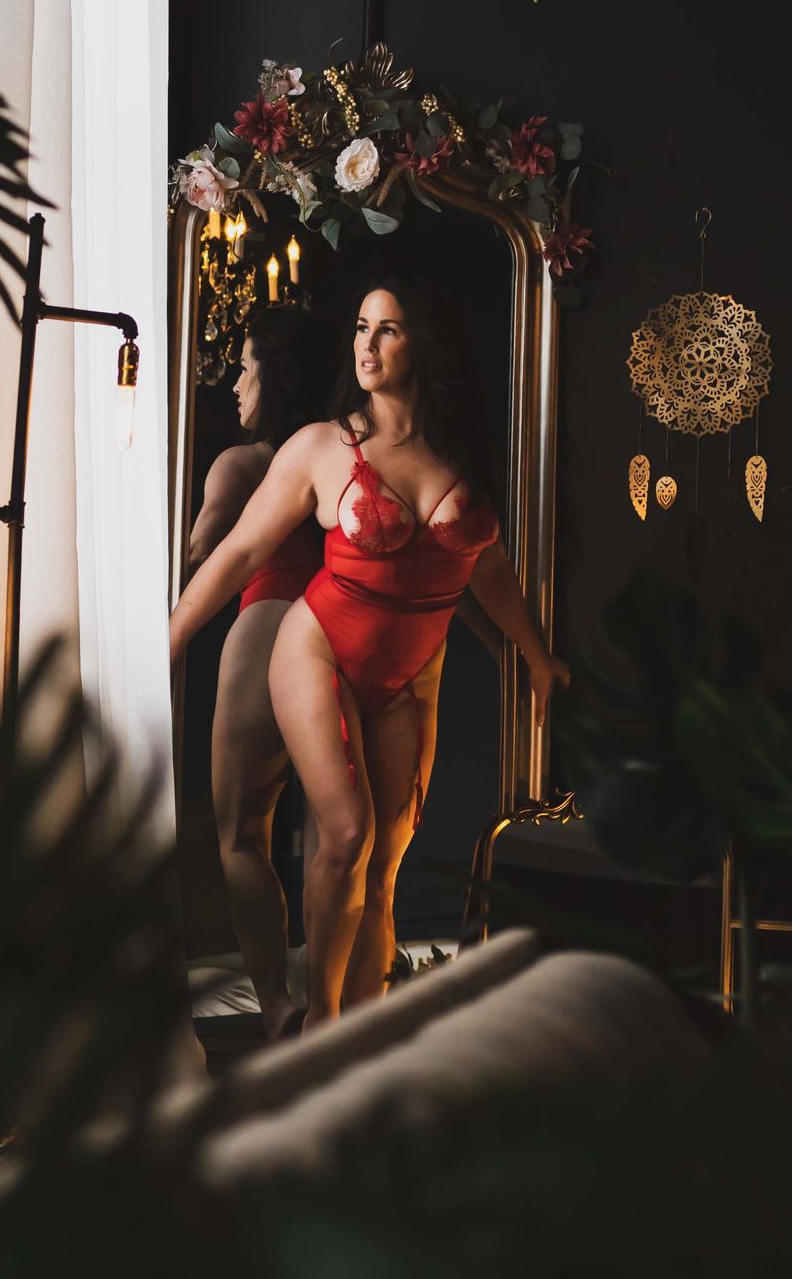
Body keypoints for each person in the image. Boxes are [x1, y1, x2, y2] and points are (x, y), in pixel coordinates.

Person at [170, 277, 567, 1029]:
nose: (366, 344)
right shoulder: (322, 447)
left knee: (384, 868)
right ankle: (316, 1027)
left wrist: (534, 656)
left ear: (425, 345)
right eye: (360, 327)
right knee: (346, 831)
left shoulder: (464, 453)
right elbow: (239, 551)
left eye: (387, 329)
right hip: (315, 651)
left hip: (412, 677)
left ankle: (365, 1031)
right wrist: (170, 636)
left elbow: (486, 568)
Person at [184, 306, 332, 1043]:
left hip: (271, 621)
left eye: (246, 368)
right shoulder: (340, 452)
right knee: (337, 840)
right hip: (339, 628)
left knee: (243, 833)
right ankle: (335, 1001)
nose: (236, 384)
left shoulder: (243, 465)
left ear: (276, 376)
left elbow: (199, 556)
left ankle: (276, 1005)